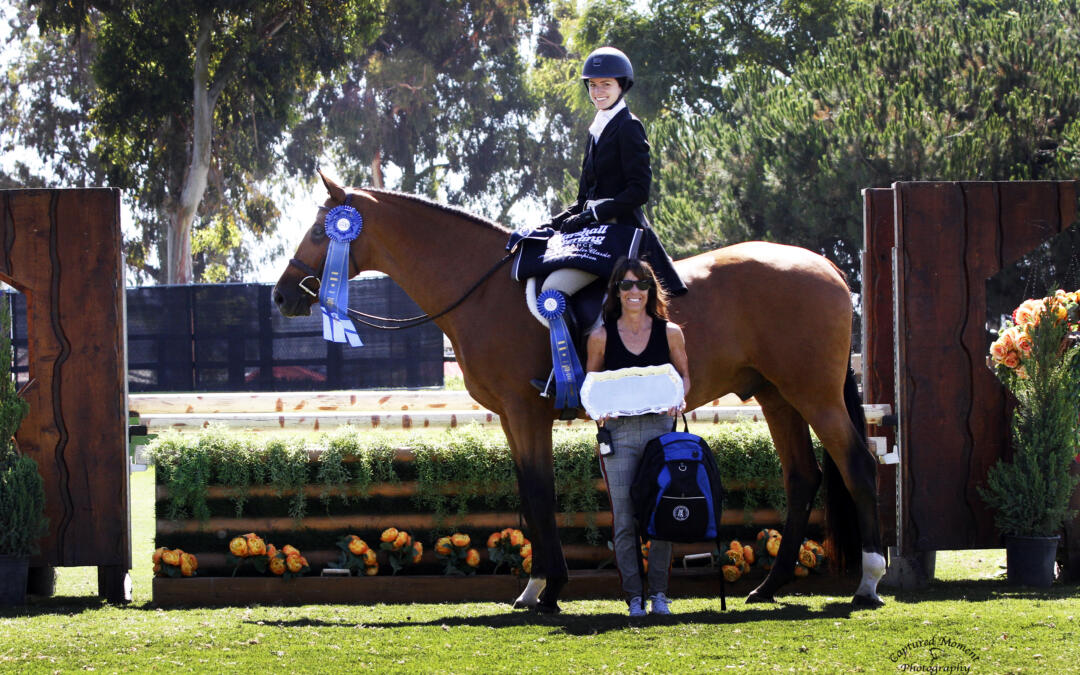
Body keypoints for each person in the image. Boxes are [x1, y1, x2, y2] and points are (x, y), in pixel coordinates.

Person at [521, 46, 685, 412]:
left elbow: (638, 191)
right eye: (593, 86)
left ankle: (569, 375)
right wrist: (558, 222)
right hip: (593, 233)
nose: (598, 92)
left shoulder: (628, 128)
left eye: (605, 85)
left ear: (621, 86)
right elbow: (584, 197)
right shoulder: (595, 130)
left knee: (555, 290)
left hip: (621, 233)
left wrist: (594, 215)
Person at [585, 257, 690, 617]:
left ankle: (659, 594)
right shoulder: (601, 336)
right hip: (618, 434)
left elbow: (684, 377)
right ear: (616, 290)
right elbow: (592, 385)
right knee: (626, 517)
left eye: (641, 284)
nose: (634, 291)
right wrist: (596, 409)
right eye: (627, 284)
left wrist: (680, 398)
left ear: (650, 289)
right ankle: (634, 597)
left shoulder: (670, 332)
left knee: (660, 512)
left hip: (661, 431)